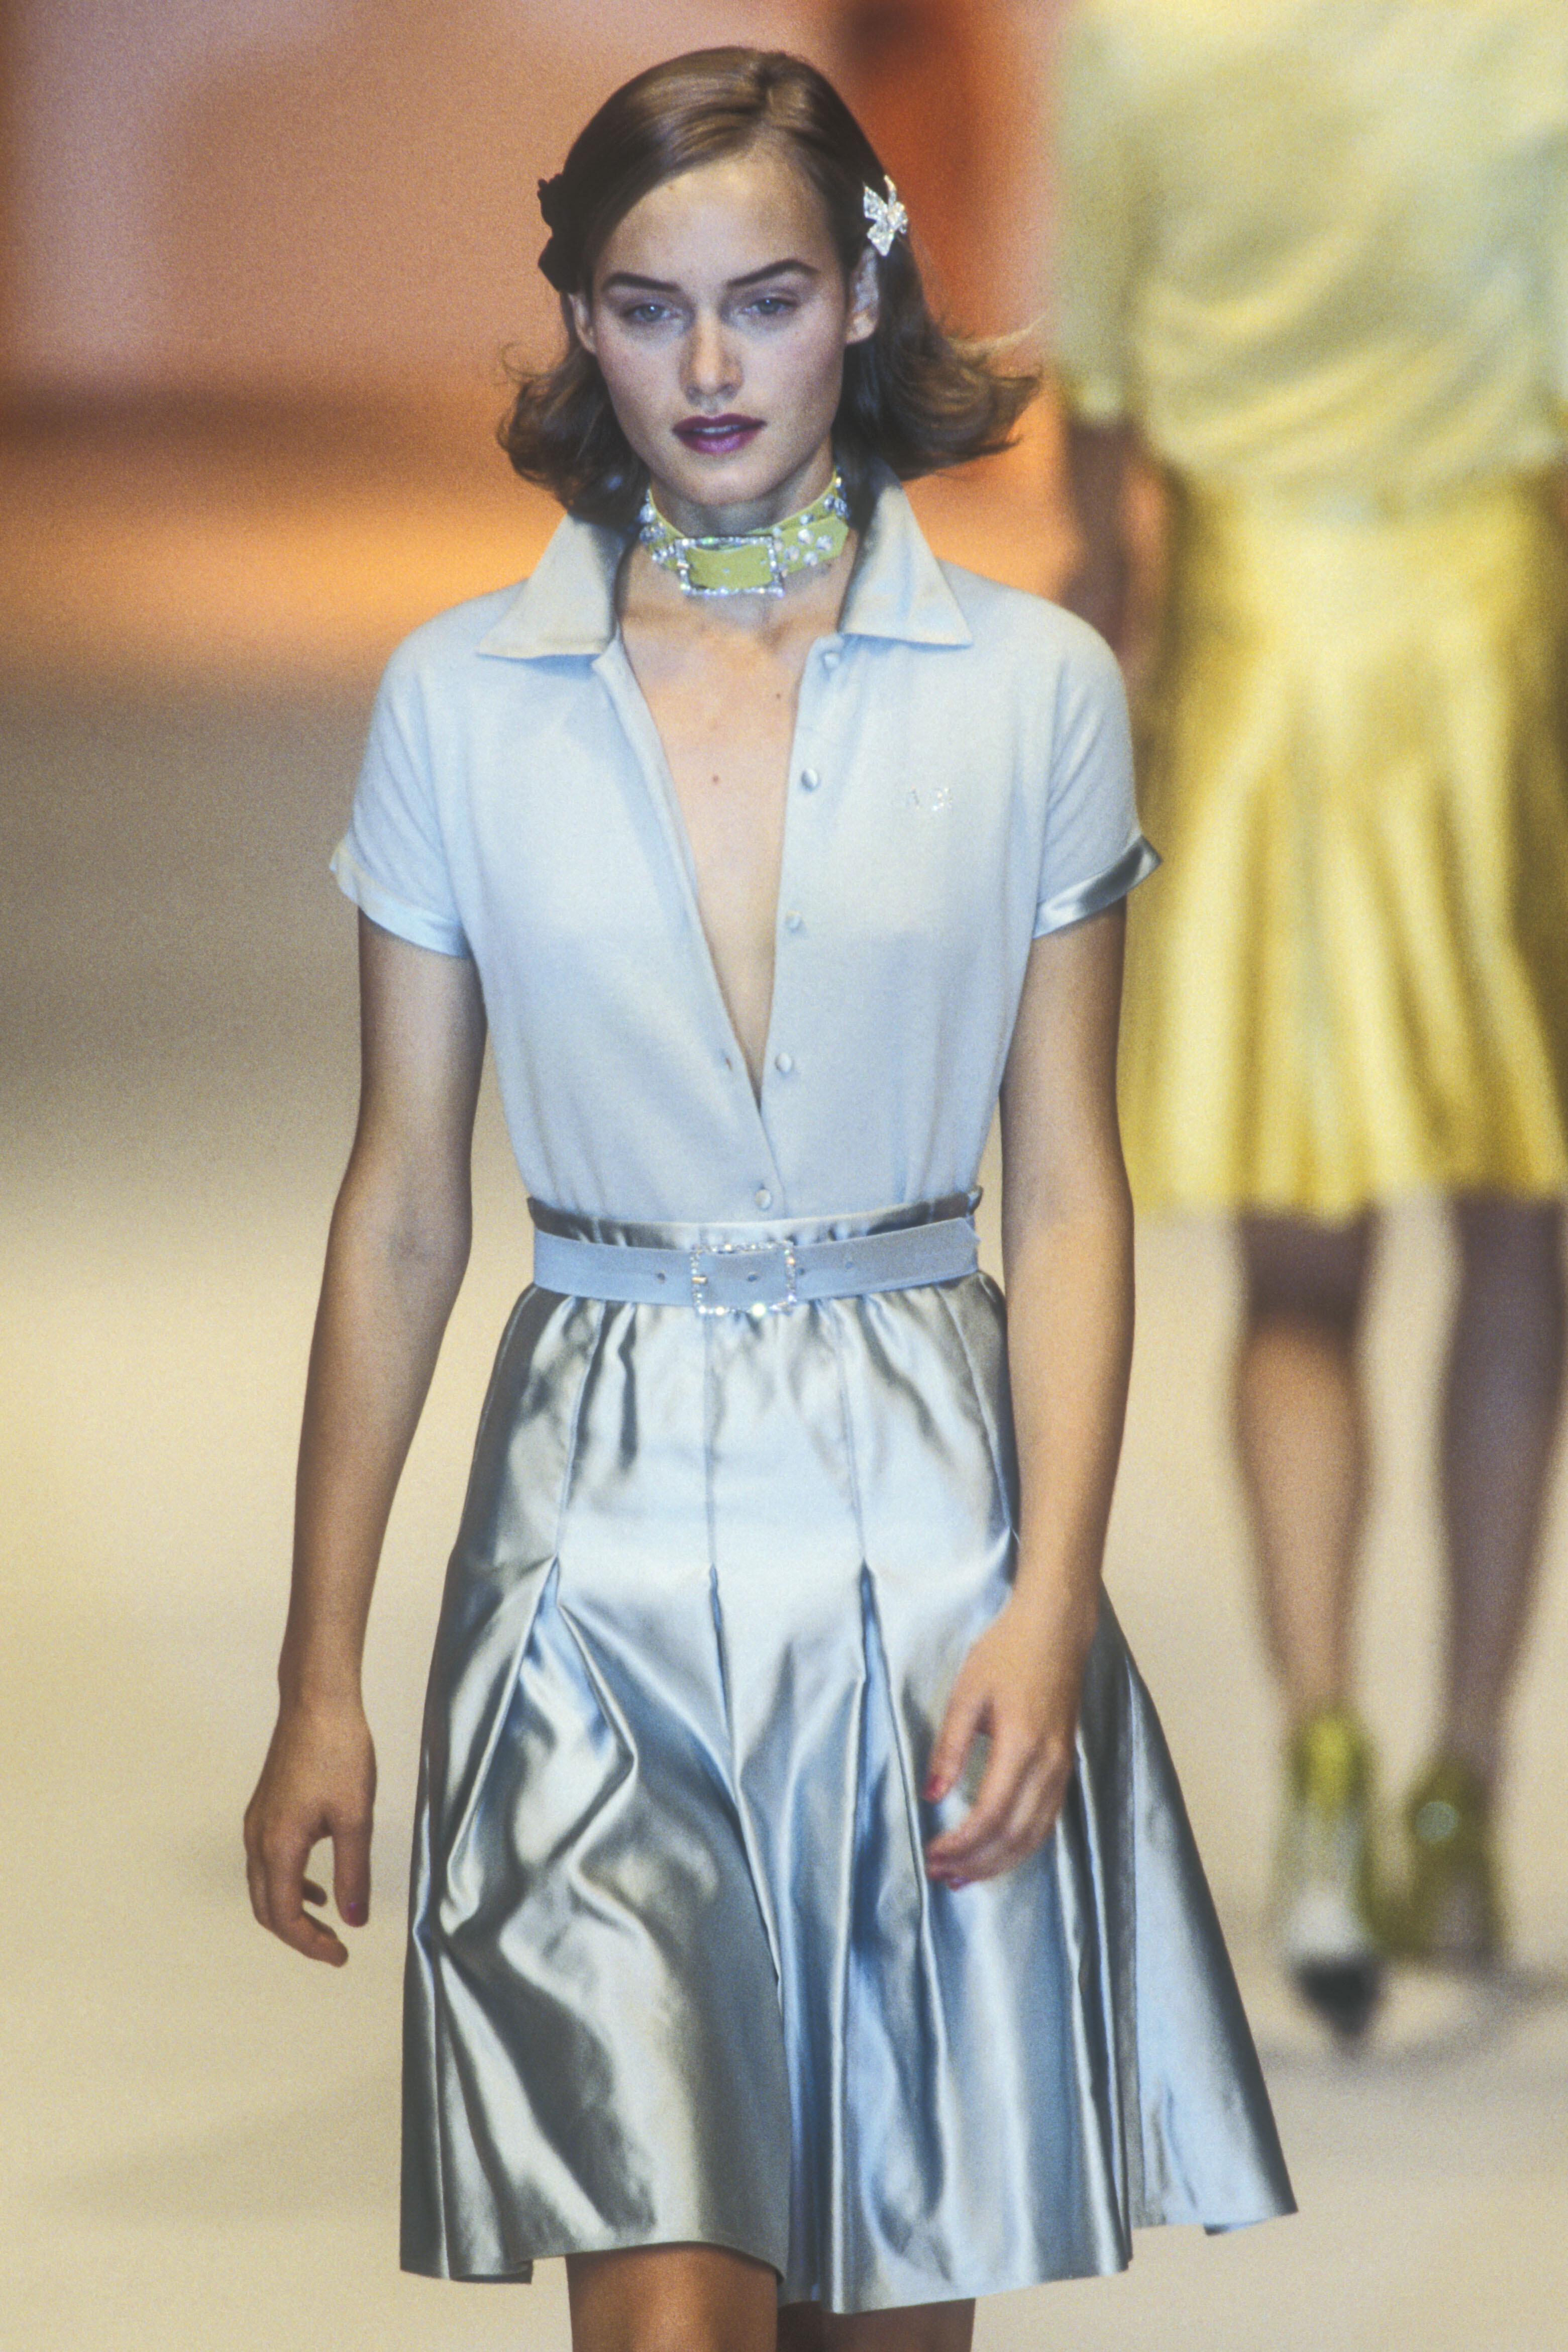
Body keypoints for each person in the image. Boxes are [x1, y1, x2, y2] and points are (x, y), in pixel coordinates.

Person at [244, 47, 1290, 2347]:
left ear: (866, 297)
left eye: (767, 299)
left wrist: (1050, 1603)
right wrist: (321, 1668)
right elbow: (402, 1203)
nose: (707, 368)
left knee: (888, 2315)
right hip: (587, 1565)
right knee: (663, 2315)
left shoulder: (1031, 693)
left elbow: (1069, 1191)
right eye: (648, 308)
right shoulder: (458, 703)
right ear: (578, 321)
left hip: (927, 1548)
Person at [1053, 0, 1568, 2037]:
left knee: (1297, 1270)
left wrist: (1112, 576)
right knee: (1514, 1228)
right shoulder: (1532, 43)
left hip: (1257, 647)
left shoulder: (1139, 40)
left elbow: (1099, 377)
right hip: (1487, 648)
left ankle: (1326, 1750)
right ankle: (1464, 1776)